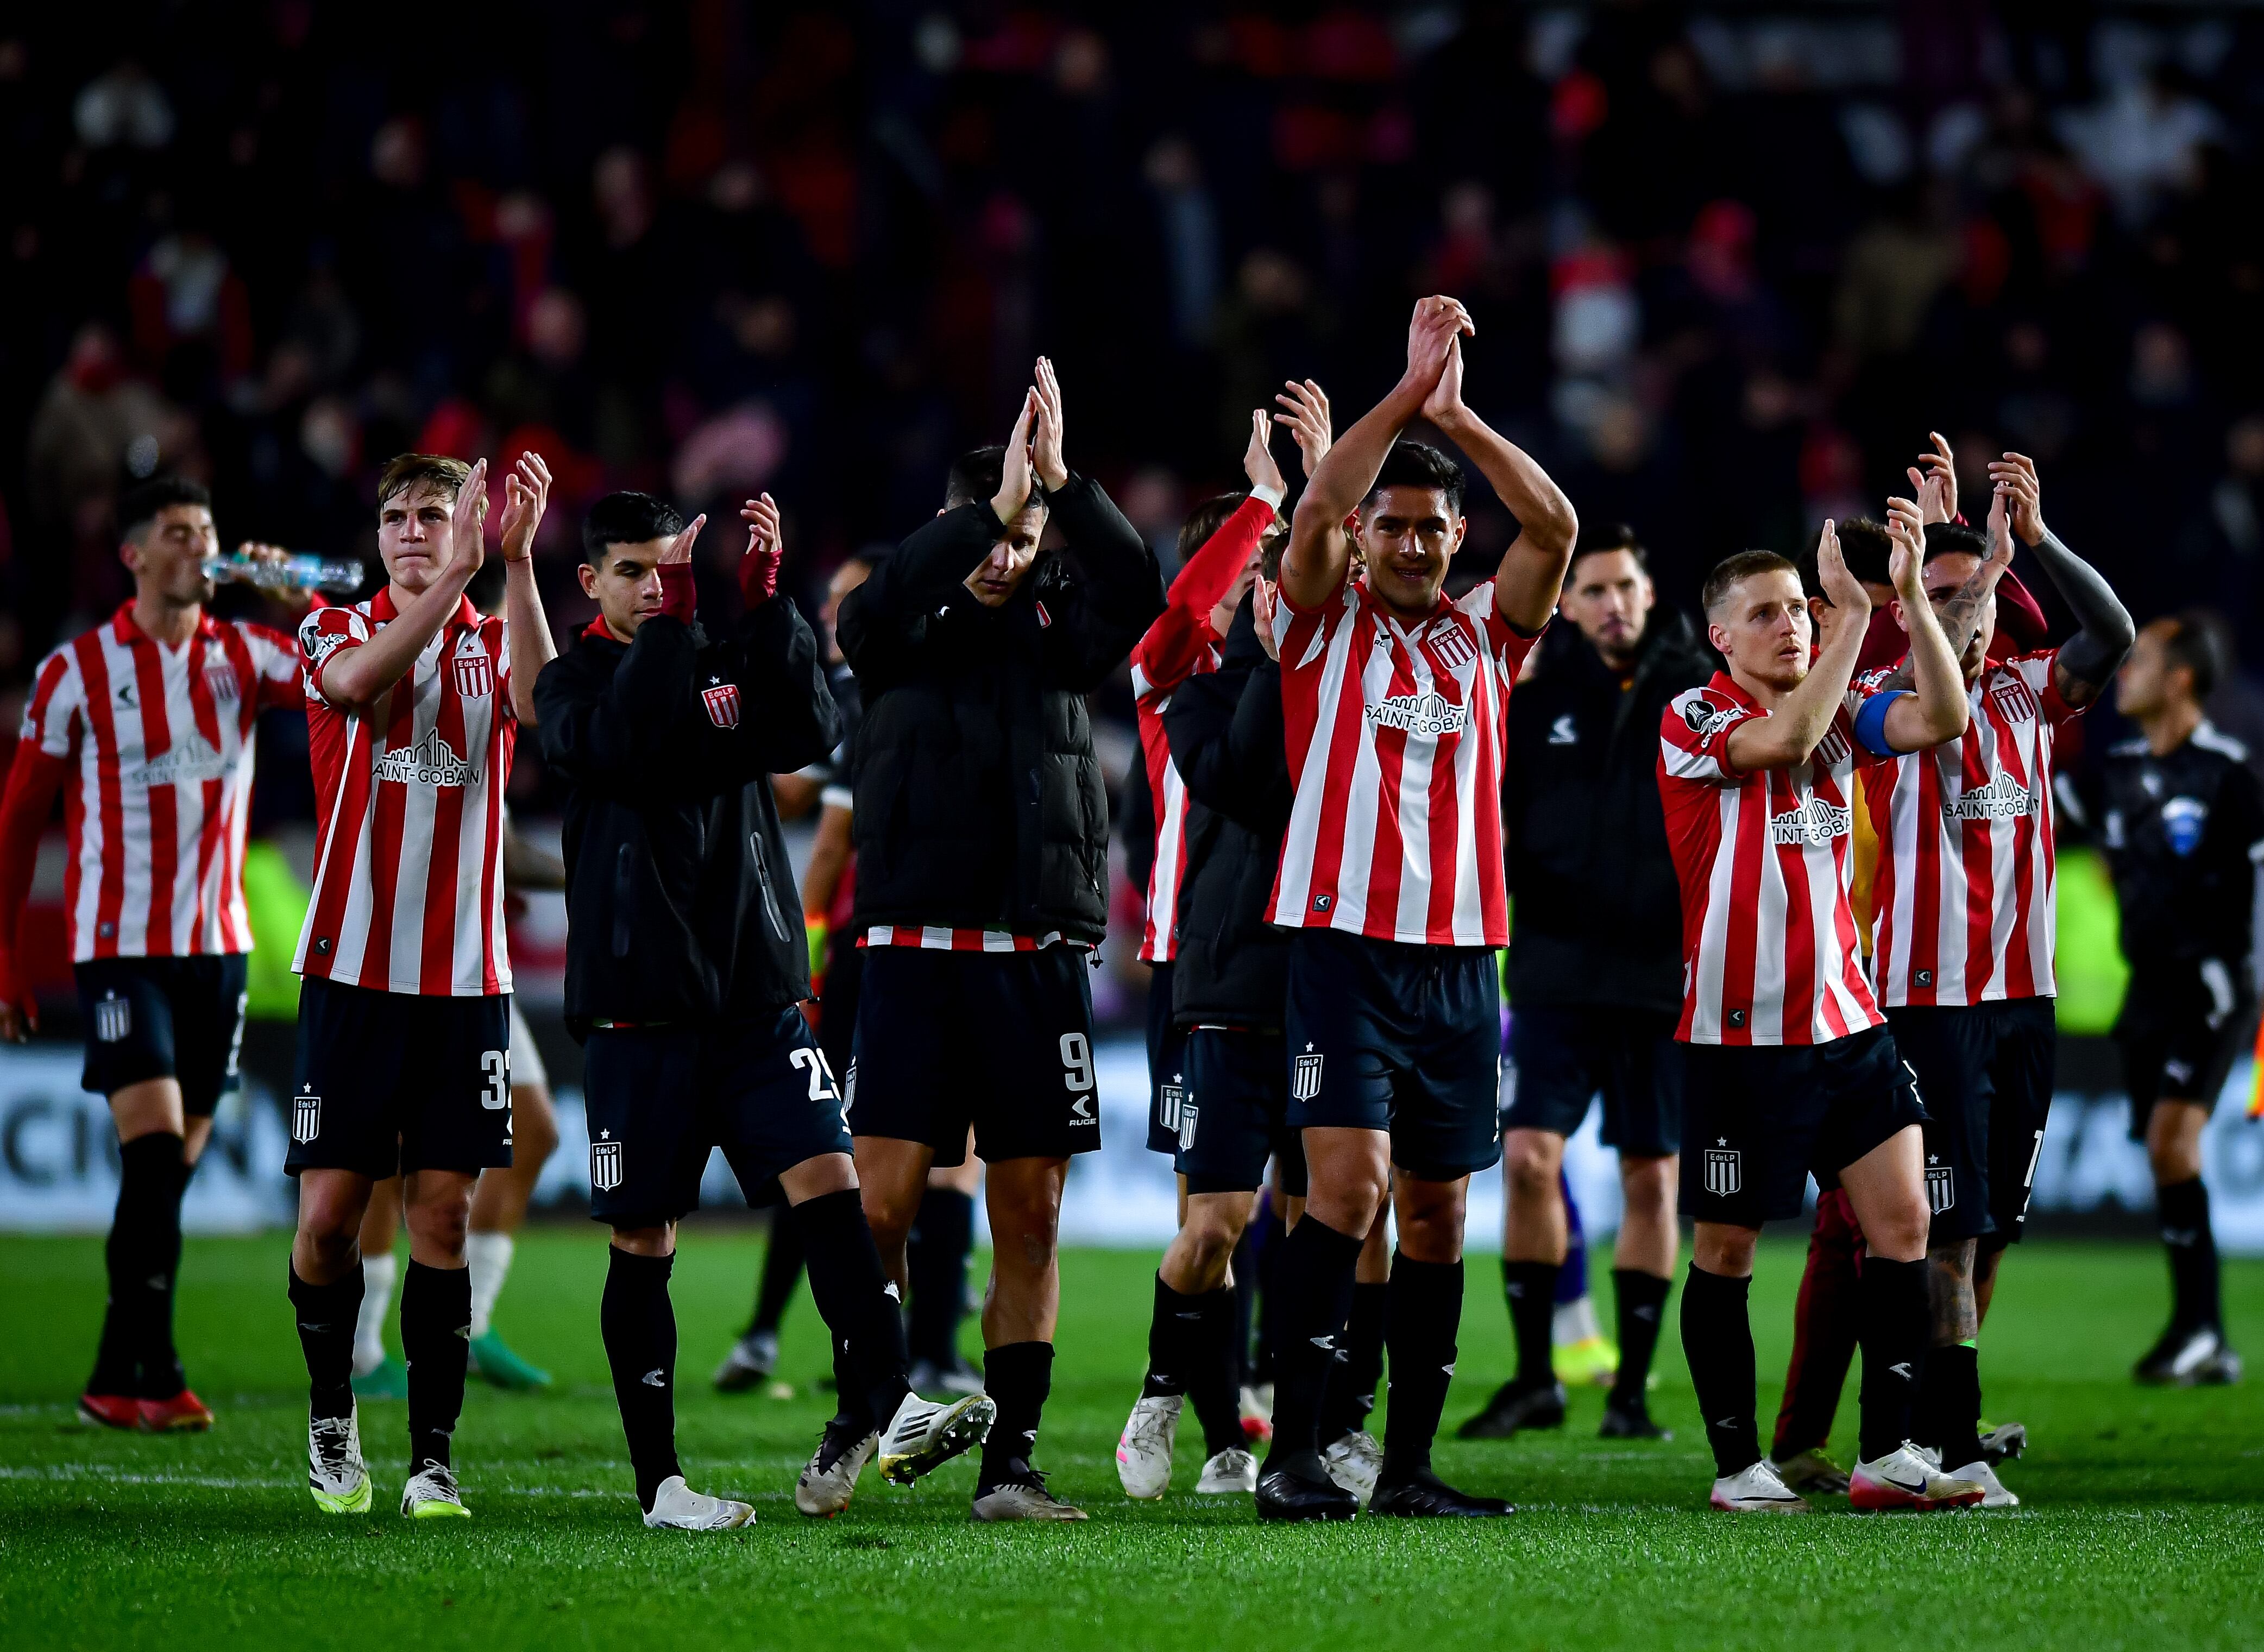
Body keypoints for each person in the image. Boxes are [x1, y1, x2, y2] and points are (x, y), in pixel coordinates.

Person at [536, 489, 993, 1528]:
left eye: (668, 570)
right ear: (590, 582)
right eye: (635, 573)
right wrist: (683, 625)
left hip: (754, 1002)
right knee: (645, 1240)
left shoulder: (711, 657)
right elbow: (630, 746)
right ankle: (661, 1485)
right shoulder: (572, 685)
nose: (655, 589)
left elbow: (810, 727)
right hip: (640, 1014)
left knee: (833, 1186)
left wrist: (771, 607)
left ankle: (892, 1400)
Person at [1253, 295, 1578, 1521]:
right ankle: (1293, 1452)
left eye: (1431, 529)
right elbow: (1317, 511)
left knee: (1440, 1210)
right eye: (1391, 527)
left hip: (1459, 961)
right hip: (1340, 953)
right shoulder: (1314, 623)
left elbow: (1553, 521)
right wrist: (1399, 399)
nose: (1409, 545)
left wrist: (1458, 416)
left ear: (1454, 539)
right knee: (1346, 1195)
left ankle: (1404, 1467)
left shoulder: (1487, 639)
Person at [837, 358, 1164, 1521]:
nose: (1001, 557)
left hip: (1032, 964)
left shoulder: (1060, 632)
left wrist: (1063, 487)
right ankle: (865, 1408)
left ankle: (1010, 1466)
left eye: (1020, 538)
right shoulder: (893, 623)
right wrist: (988, 509)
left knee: (1029, 1217)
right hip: (915, 959)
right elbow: (866, 616)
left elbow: (1142, 587)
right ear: (947, 525)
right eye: (983, 533)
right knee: (877, 1210)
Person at [1659, 502, 1986, 1514]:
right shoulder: (1694, 716)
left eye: (1797, 607)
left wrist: (1904, 592)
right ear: (1720, 635)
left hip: (1849, 1025)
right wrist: (1852, 618)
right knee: (1726, 1251)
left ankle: (1885, 1454)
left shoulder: (1842, 708)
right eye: (1765, 613)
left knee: (1903, 1225)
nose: (1791, 624)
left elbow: (1944, 717)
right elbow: (1788, 731)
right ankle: (1734, 1464)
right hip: (1735, 1037)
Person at [284, 451, 557, 1519]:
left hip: (462, 987)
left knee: (442, 1218)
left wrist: (521, 566)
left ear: (464, 525)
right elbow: (357, 690)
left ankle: (433, 1459)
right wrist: (455, 579)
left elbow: (543, 711)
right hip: (350, 977)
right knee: (327, 1221)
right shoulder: (330, 627)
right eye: (396, 515)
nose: (410, 529)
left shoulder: (492, 639)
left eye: (432, 515)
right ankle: (329, 1420)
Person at [0, 477, 304, 1433]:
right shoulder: (76, 672)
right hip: (120, 947)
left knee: (167, 1174)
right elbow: (16, 821)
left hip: (218, 951)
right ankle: (158, 1369)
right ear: (134, 554)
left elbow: (353, 686)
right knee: (159, 1150)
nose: (200, 549)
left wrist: (303, 607)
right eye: (178, 534)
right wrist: (6, 959)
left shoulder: (250, 657)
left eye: (208, 533)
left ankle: (109, 1370)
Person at [1859, 455, 2132, 1506]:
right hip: (1928, 1008)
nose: (1962, 614)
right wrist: (1944, 572)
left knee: (1990, 1232)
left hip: (2022, 1005)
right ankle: (1948, 1445)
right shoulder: (1886, 705)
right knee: (1946, 1226)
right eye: (1934, 598)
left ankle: (1942, 1420)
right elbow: (1937, 643)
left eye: (1974, 596)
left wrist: (2038, 541)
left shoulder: (2025, 695)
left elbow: (2110, 635)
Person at [1462, 525, 1715, 1443]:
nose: (1612, 604)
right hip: (1554, 973)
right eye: (1593, 590)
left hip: (1661, 976)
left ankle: (1631, 1391)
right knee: (1528, 1161)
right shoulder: (1531, 697)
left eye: (1624, 586)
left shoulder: (1699, 693)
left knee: (1650, 1181)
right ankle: (1535, 1375)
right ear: (1565, 604)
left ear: (1649, 592)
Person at [2063, 613, 2262, 1385]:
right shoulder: (2114, 771)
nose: (2126, 674)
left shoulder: (2228, 774)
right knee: (2160, 1151)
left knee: (2174, 1143)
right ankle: (2201, 1332)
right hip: (2147, 990)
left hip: (2213, 985)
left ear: (2181, 679)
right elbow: (2037, 812)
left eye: (2140, 661)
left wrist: (2249, 977)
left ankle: (2203, 1330)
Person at [347, 807, 565, 1399]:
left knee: (536, 1129)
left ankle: (475, 1324)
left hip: (475, 959)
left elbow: (507, 848)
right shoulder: (401, 727)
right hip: (394, 959)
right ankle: (362, 1350)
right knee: (391, 1149)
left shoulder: (492, 735)